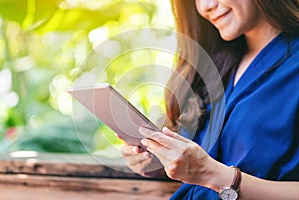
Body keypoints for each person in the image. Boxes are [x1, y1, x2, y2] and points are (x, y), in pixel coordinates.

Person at [121, 0, 299, 199]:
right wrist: (156, 159)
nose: (205, 6)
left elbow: (208, 170)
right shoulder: (215, 63)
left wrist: (213, 175)